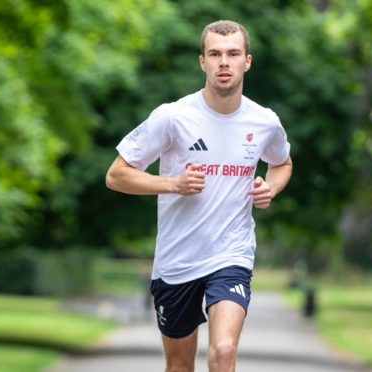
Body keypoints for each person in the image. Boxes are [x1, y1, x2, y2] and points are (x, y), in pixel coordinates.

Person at [106, 19, 292, 372]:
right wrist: (173, 184)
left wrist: (271, 186)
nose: (224, 62)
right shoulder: (173, 117)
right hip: (177, 260)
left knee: (223, 351)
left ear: (247, 61)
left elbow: (282, 162)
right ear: (202, 62)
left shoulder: (264, 121)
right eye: (215, 54)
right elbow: (116, 175)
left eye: (233, 54)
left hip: (231, 254)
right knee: (180, 366)